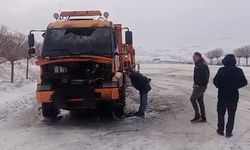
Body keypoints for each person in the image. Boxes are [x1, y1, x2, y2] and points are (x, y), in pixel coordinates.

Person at [213, 54, 248, 138]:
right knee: (231, 115)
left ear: (224, 61)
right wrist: (236, 86)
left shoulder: (221, 70)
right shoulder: (239, 71)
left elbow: (215, 81)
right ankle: (229, 132)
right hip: (233, 96)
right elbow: (244, 82)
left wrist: (219, 86)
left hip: (222, 96)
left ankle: (220, 130)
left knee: (221, 114)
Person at [190, 52, 210, 122]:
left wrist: (198, 84)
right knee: (200, 100)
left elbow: (205, 78)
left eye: (194, 57)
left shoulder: (202, 65)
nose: (193, 58)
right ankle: (203, 117)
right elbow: (197, 76)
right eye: (193, 57)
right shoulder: (199, 64)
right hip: (199, 85)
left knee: (192, 99)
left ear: (198, 57)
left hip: (200, 86)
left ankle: (198, 115)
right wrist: (195, 83)